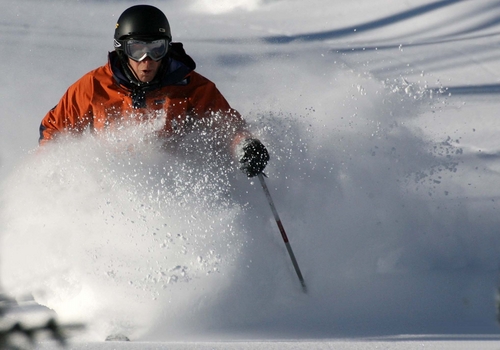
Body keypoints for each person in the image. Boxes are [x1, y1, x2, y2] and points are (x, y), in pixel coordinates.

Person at [38, 4, 269, 178]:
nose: (146, 60)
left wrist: (245, 145)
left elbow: (228, 126)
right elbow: (55, 128)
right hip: (108, 188)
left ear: (167, 49)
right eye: (136, 49)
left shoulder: (191, 87)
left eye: (156, 49)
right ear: (122, 51)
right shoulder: (93, 86)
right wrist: (54, 169)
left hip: (176, 183)